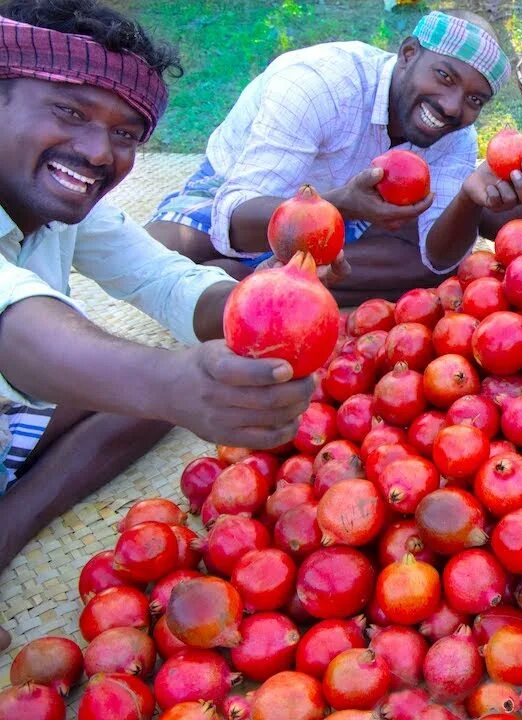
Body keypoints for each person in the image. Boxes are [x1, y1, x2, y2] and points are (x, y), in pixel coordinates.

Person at [0, 0, 333, 646]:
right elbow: (15, 323)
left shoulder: (68, 207)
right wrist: (174, 382)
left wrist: (274, 298)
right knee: (159, 382)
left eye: (126, 134)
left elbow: (165, 279)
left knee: (152, 392)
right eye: (70, 112)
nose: (98, 151)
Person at [147, 10, 522, 305]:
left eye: (474, 99)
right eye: (445, 76)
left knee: (431, 273)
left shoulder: (457, 137)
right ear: (408, 53)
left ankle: (257, 281)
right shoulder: (319, 83)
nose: (450, 106)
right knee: (159, 253)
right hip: (247, 195)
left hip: (347, 221)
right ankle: (272, 281)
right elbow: (234, 215)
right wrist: (334, 203)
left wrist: (467, 198)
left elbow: (438, 257)